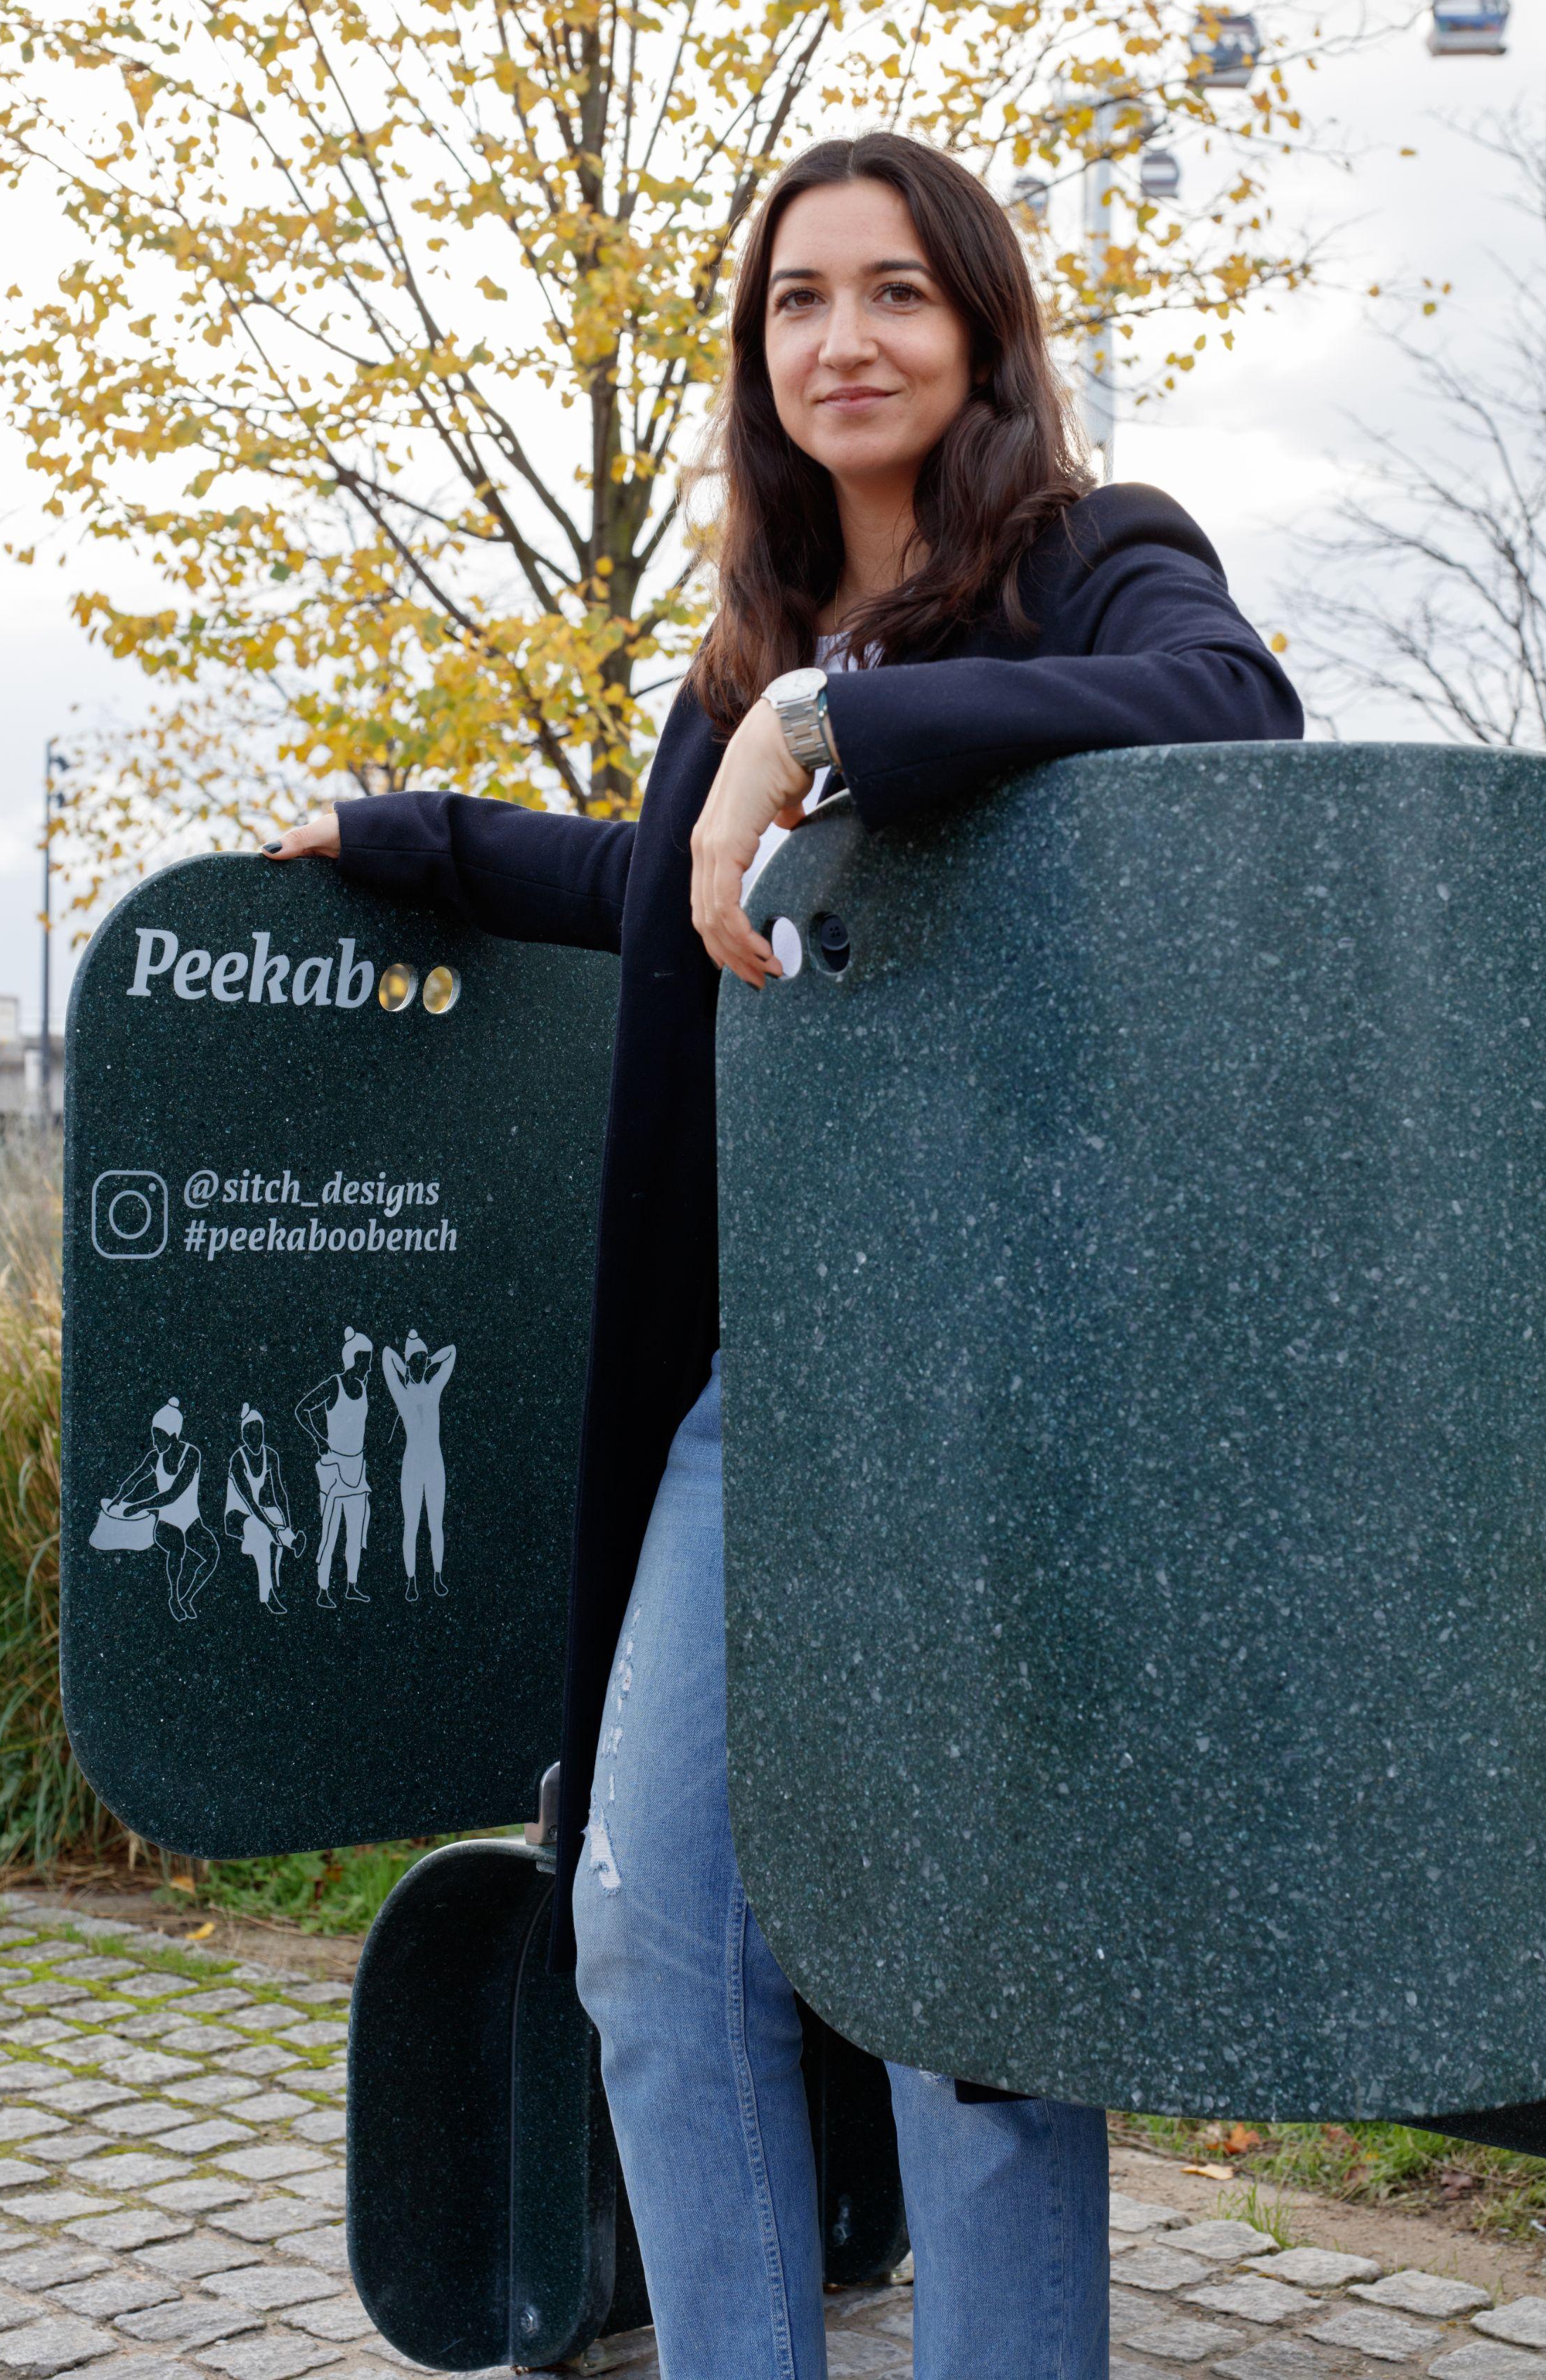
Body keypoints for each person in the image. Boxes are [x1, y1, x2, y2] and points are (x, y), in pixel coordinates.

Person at [265, 132, 1301, 2379]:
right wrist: (413, 838)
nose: (842, 339)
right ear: (756, 356)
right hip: (755, 1394)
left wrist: (828, 726)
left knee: (961, 1985)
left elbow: (1232, 716)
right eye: (797, 301)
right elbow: (665, 903)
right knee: (644, 1928)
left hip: (989, 1391)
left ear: (979, 329)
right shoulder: (731, 653)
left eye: (897, 293)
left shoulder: (1099, 567)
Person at [101, 1398, 220, 1623]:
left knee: (212, 1555)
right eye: (154, 1435)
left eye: (159, 1436)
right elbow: (134, 1479)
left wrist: (140, 1505)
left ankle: (187, 1598)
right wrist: (118, 1498)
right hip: (166, 1523)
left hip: (191, 1521)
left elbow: (174, 1493)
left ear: (173, 1435)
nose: (155, 1441)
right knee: (178, 1548)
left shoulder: (191, 1455)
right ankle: (174, 1599)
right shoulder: (155, 1457)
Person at [294, 1329, 373, 1607]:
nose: (370, 1367)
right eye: (366, 1361)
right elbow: (302, 1409)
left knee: (355, 1532)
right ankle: (323, 1589)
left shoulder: (363, 1389)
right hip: (334, 1468)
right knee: (330, 1533)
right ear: (352, 1360)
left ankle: (352, 1585)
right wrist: (319, 1440)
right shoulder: (333, 1385)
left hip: (358, 1468)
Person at [381, 1330, 456, 1601]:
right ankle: (411, 1581)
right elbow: (386, 1355)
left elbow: (452, 1351)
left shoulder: (434, 1386)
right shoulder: (401, 1393)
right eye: (415, 1360)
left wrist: (432, 1358)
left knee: (436, 1523)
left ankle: (437, 1577)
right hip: (413, 1464)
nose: (420, 1364)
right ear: (408, 1362)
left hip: (435, 1463)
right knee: (411, 1524)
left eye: (422, 1360)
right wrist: (403, 1364)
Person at [223, 1403, 299, 1617]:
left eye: (259, 1432)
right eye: (250, 1434)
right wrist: (275, 1530)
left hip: (258, 1513)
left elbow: (280, 1493)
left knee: (275, 1514)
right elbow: (249, 1501)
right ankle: (267, 1595)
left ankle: (276, 1577)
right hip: (237, 1516)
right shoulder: (238, 1460)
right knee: (262, 1530)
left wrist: (287, 1525)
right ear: (244, 1436)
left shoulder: (270, 1456)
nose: (256, 1438)